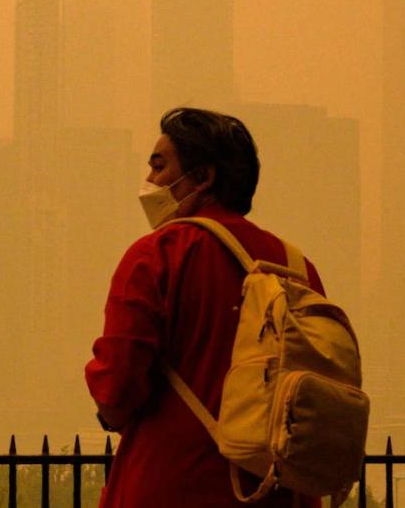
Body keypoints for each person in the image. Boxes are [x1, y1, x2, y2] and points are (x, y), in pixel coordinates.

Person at [84, 107, 325, 508]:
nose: (150, 180)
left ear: (203, 177)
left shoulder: (157, 255)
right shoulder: (296, 267)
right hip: (280, 493)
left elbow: (116, 387)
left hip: (172, 485)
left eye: (160, 167)